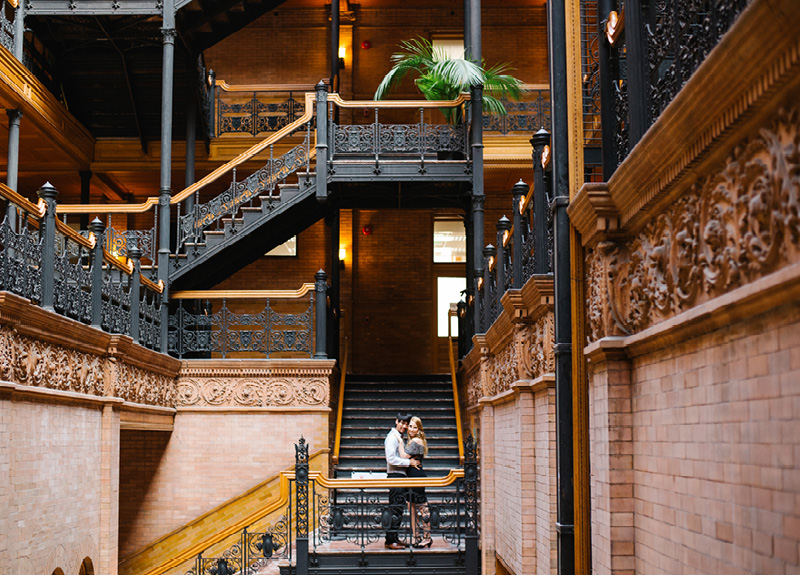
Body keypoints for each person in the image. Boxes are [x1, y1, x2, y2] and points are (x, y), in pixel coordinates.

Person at [384, 412, 420, 549]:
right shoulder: (392, 438)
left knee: (398, 508)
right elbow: (391, 459)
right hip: (395, 476)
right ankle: (390, 541)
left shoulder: (398, 437)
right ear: (396, 421)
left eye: (406, 423)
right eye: (402, 423)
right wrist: (408, 462)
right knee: (395, 508)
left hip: (399, 477)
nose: (404, 426)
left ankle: (394, 538)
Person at [405, 416, 432, 548]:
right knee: (412, 507)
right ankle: (416, 537)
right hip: (411, 476)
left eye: (415, 427)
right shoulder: (413, 440)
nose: (411, 429)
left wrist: (399, 442)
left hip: (417, 476)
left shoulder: (416, 441)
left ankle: (427, 537)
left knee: (422, 507)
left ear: (419, 429)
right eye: (410, 426)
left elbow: (403, 456)